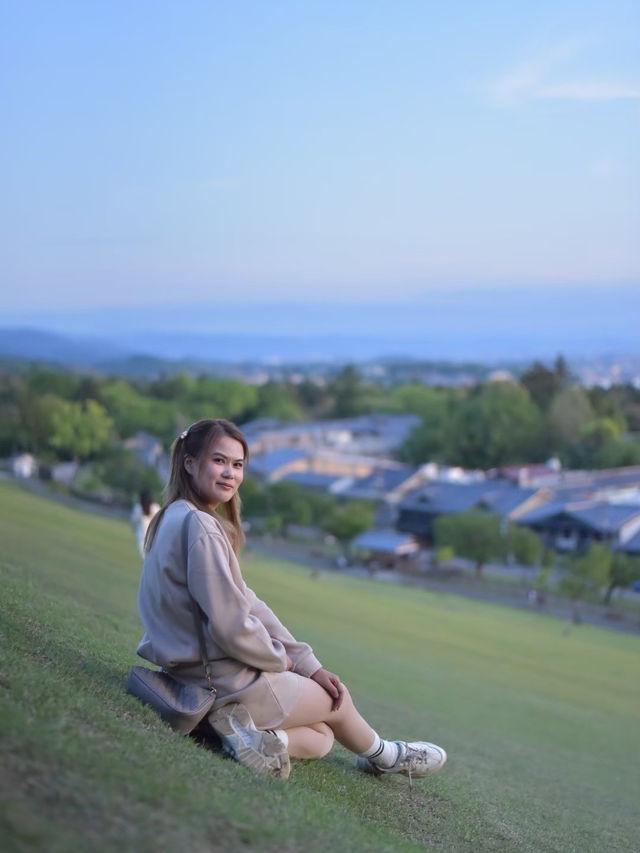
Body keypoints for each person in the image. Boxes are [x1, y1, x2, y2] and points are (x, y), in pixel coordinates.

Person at [136, 418, 447, 781]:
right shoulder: (202, 527)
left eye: (238, 465)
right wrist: (279, 660)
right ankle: (388, 756)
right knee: (337, 701)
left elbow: (248, 602)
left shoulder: (173, 516)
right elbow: (231, 625)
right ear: (189, 463)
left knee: (323, 738)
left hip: (187, 678)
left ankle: (247, 739)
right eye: (218, 461)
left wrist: (306, 662)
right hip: (225, 684)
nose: (230, 474)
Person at [131, 489, 161, 558]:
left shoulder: (138, 508)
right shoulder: (155, 508)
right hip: (153, 538)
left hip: (144, 538)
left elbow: (134, 523)